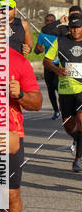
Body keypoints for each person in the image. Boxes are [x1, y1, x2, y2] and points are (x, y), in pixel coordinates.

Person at [0, 48, 42, 212]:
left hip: (7, 135)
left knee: (9, 193)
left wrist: (19, 94)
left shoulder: (17, 61)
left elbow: (37, 103)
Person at [43, 12, 82, 172]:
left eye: (78, 27)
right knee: (68, 126)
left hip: (81, 90)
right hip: (65, 90)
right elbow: (46, 61)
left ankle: (78, 159)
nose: (75, 30)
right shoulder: (60, 41)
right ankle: (80, 144)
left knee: (81, 120)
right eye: (72, 27)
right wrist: (56, 69)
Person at [34, 13, 60, 119]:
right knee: (50, 89)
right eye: (47, 21)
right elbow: (36, 50)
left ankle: (63, 105)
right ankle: (56, 110)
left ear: (55, 22)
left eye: (51, 21)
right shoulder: (42, 34)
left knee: (58, 86)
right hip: (48, 64)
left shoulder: (59, 33)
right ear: (45, 22)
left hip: (59, 64)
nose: (49, 22)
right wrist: (38, 50)